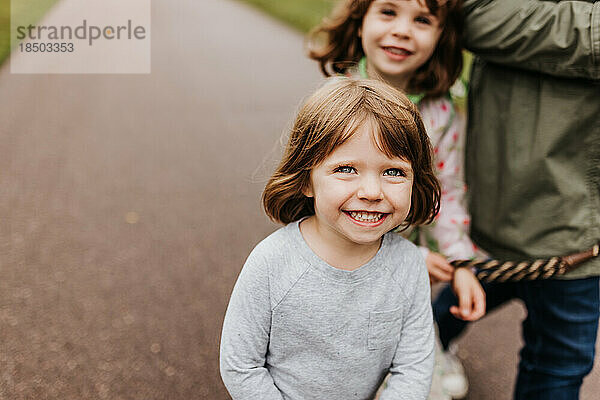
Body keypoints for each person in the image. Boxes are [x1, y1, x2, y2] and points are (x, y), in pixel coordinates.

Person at [221, 77, 445, 399]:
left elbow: (413, 366)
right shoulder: (271, 263)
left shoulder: (407, 266)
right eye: (346, 169)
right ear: (306, 181)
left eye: (393, 172)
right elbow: (241, 365)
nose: (371, 192)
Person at [307, 1, 485, 398]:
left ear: (442, 35)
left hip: (405, 262)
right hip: (339, 258)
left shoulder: (439, 112)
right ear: (360, 20)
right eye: (388, 12)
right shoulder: (335, 101)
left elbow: (447, 191)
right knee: (342, 361)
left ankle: (426, 355)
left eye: (422, 20)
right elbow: (316, 193)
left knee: (415, 370)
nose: (403, 30)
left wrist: (459, 263)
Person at [432, 0, 600, 399]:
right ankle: (428, 344)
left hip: (582, 224)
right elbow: (475, 15)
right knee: (466, 290)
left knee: (560, 365)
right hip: (511, 204)